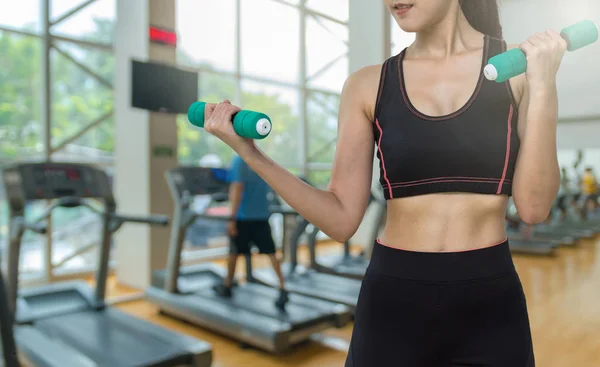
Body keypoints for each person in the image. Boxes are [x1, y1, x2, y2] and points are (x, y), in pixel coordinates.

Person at [203, 1, 565, 365]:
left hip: (490, 302)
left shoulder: (517, 70)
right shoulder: (366, 85)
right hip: (394, 299)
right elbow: (341, 219)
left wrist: (544, 86)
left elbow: (534, 209)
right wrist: (252, 155)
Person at [212, 154, 289, 310]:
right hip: (261, 214)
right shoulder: (260, 158)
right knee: (271, 252)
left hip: (243, 216)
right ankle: (282, 287)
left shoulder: (239, 160)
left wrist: (231, 218)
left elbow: (237, 189)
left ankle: (227, 285)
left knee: (234, 252)